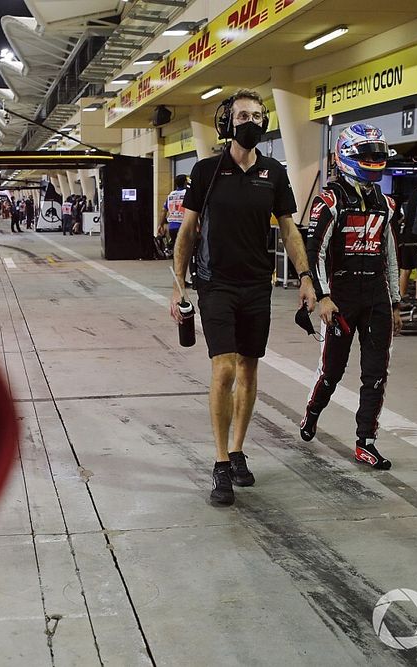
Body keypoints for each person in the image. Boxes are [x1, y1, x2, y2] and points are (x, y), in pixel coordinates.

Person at [170, 89, 315, 506]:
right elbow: (188, 231)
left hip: (257, 285)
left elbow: (289, 229)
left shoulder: (274, 173)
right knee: (224, 370)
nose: (249, 121)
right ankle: (219, 464)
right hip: (215, 284)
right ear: (226, 123)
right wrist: (178, 285)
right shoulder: (206, 170)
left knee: (249, 370)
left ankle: (237, 451)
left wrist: (305, 277)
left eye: (256, 115)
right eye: (241, 115)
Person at [300, 123, 403, 470]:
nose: (374, 160)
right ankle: (312, 413)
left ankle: (366, 441)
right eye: (367, 154)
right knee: (332, 371)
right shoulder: (329, 200)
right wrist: (324, 297)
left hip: (376, 297)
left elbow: (390, 252)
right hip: (341, 297)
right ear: (346, 155)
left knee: (376, 374)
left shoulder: (386, 204)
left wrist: (396, 301)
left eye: (378, 154)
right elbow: (313, 251)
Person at [159, 174, 189, 257]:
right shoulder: (187, 194)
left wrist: (160, 225)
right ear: (185, 182)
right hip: (184, 225)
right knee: (186, 248)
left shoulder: (171, 195)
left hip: (172, 226)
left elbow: (163, 210)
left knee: (177, 247)